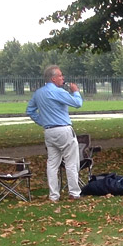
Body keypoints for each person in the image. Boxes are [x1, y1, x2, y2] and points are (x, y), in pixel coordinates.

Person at [26, 64, 83, 201]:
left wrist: (43, 121)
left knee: (52, 164)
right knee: (71, 162)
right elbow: (77, 103)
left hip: (49, 131)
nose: (63, 78)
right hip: (63, 129)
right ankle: (74, 193)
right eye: (60, 75)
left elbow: (30, 111)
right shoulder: (58, 92)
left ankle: (54, 195)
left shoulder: (38, 93)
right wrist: (75, 91)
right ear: (53, 78)